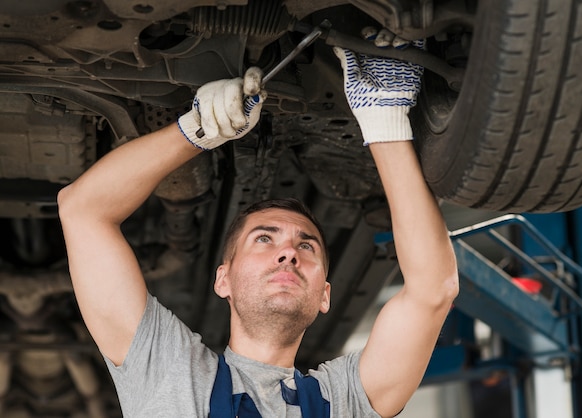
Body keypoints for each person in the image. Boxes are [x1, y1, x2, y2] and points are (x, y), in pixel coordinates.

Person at [57, 29, 459, 417]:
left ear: (325, 296)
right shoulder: (170, 373)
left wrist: (382, 119)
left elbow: (432, 291)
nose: (288, 252)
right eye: (264, 239)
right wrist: (196, 130)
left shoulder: (344, 398)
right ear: (223, 279)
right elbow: (83, 210)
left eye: (307, 246)